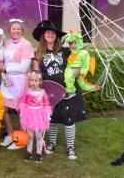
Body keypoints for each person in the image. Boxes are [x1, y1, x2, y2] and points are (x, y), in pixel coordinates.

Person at [32, 20, 88, 160]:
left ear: (56, 36)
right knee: (53, 119)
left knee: (69, 118)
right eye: (47, 33)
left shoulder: (66, 51)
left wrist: (75, 72)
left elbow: (79, 62)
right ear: (43, 36)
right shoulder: (38, 53)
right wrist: (37, 90)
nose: (50, 35)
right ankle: (52, 143)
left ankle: (70, 147)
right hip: (49, 91)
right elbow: (36, 73)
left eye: (52, 33)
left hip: (67, 90)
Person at [0, 20, 34, 150]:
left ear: (22, 31)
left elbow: (24, 67)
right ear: (9, 31)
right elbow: (2, 60)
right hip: (7, 81)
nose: (15, 31)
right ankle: (11, 133)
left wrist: (5, 69)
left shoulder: (26, 45)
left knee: (21, 110)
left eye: (18, 29)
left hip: (21, 82)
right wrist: (4, 73)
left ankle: (22, 138)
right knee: (3, 108)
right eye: (13, 29)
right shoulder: (7, 43)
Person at [19, 71, 52, 163]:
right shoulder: (27, 91)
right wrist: (22, 112)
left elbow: (46, 105)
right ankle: (29, 152)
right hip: (29, 116)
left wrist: (47, 115)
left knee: (38, 136)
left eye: (35, 80)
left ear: (40, 82)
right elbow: (23, 102)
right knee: (30, 136)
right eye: (31, 80)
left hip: (39, 116)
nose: (33, 82)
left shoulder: (43, 93)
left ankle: (39, 153)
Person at [64, 30, 99, 95]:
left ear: (79, 43)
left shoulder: (84, 53)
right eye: (71, 43)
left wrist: (82, 71)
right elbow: (69, 64)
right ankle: (71, 90)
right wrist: (68, 70)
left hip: (79, 71)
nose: (73, 45)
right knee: (68, 78)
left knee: (82, 85)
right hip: (71, 71)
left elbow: (86, 63)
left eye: (75, 43)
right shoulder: (71, 53)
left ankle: (93, 87)